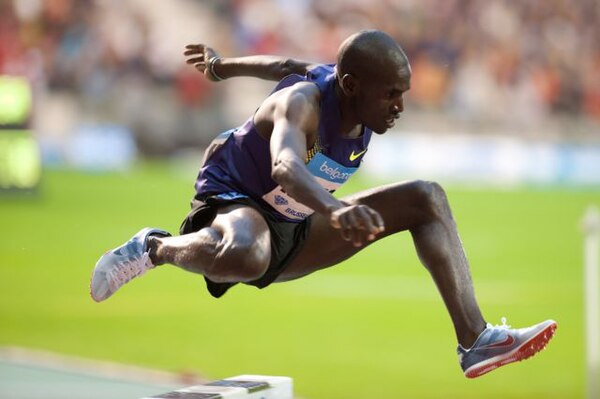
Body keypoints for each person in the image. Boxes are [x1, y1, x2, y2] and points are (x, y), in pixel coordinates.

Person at [89, 30, 556, 378]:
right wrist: (334, 210)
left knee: (426, 197)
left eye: (403, 94)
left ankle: (475, 340)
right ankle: (153, 248)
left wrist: (222, 66)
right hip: (235, 200)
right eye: (391, 94)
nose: (399, 106)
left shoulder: (348, 89)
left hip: (295, 224)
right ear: (351, 85)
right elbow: (285, 169)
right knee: (249, 252)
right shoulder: (303, 105)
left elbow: (286, 62)